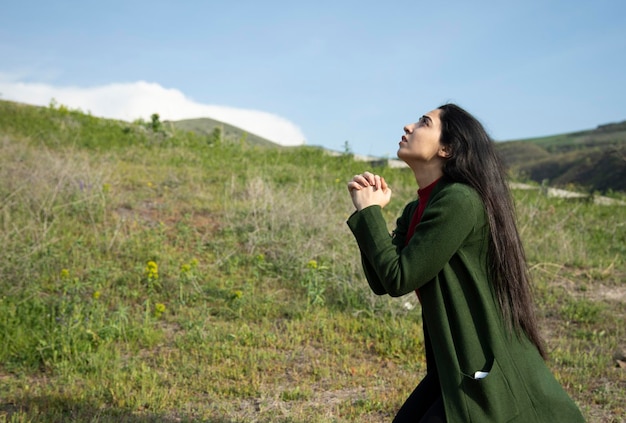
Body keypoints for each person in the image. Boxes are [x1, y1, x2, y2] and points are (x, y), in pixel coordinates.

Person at [346, 104, 585, 422]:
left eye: (423, 122)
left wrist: (369, 214)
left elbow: (398, 277)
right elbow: (383, 281)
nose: (408, 126)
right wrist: (368, 213)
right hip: (454, 366)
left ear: (447, 148)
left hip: (483, 367)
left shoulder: (459, 200)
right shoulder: (416, 208)